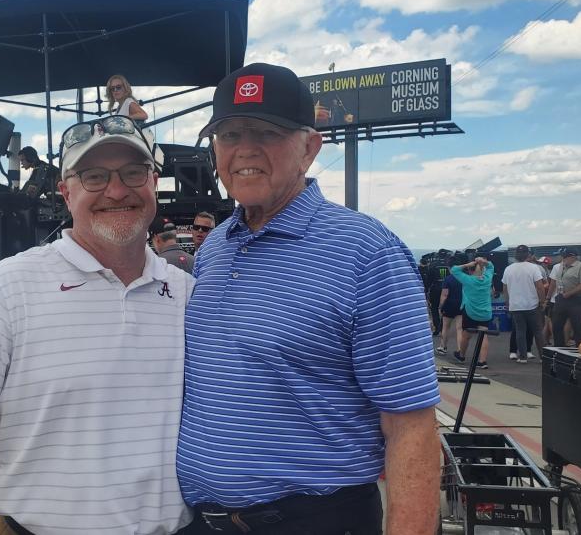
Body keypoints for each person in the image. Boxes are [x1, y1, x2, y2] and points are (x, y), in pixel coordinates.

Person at [179, 63, 440, 535]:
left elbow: (412, 427)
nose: (245, 149)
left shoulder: (367, 252)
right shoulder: (215, 247)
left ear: (310, 148)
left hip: (314, 522)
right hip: (205, 522)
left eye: (267, 132)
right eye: (229, 133)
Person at [0, 114, 193, 535]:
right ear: (66, 192)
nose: (117, 190)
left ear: (153, 181)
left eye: (133, 172)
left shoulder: (188, 294)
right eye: (94, 176)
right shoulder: (2, 291)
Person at [502, 245, 547, 363]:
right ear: (528, 255)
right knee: (537, 331)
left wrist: (507, 303)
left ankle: (522, 357)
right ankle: (543, 357)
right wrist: (542, 301)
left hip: (516, 306)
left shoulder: (508, 269)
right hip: (532, 305)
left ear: (516, 255)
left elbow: (505, 289)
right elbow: (540, 287)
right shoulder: (533, 268)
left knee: (520, 331)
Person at [451, 257, 495, 369]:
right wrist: (483, 262)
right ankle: (482, 361)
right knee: (483, 335)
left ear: (470, 271)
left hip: (471, 311)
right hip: (485, 312)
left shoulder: (468, 280)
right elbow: (491, 266)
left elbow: (454, 270)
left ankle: (461, 355)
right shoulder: (487, 279)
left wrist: (467, 264)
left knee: (466, 335)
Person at [547, 248, 581, 347]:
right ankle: (559, 348)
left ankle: (580, 348)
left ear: (573, 257)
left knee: (577, 326)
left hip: (576, 299)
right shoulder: (561, 266)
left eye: (565, 257)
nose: (563, 259)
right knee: (557, 325)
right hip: (561, 298)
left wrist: (570, 293)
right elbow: (555, 281)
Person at [438, 269, 463, 359]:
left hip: (449, 305)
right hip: (461, 304)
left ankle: (443, 346)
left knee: (445, 327)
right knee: (459, 329)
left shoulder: (448, 279)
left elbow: (444, 295)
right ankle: (460, 350)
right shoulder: (463, 278)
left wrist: (441, 306)